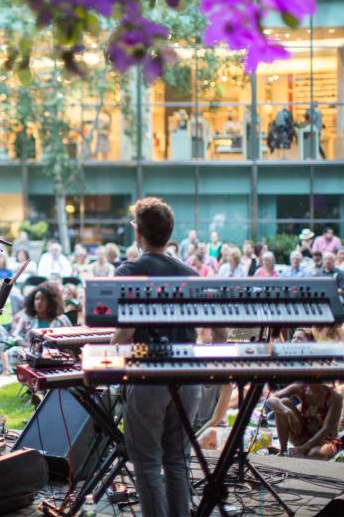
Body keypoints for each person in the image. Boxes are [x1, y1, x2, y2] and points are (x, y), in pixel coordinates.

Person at [109, 197, 226, 517]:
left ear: (138, 233)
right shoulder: (191, 273)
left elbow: (125, 332)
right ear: (169, 232)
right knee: (177, 461)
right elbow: (220, 333)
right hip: (188, 378)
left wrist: (104, 350)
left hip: (149, 376)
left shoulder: (129, 271)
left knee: (146, 464)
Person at [268, 380, 343, 460]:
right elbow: (271, 400)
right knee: (283, 403)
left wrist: (304, 447)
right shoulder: (299, 387)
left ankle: (297, 456)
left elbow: (326, 429)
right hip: (303, 436)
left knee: (315, 453)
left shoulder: (335, 397)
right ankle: (283, 451)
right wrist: (288, 412)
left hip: (325, 441)